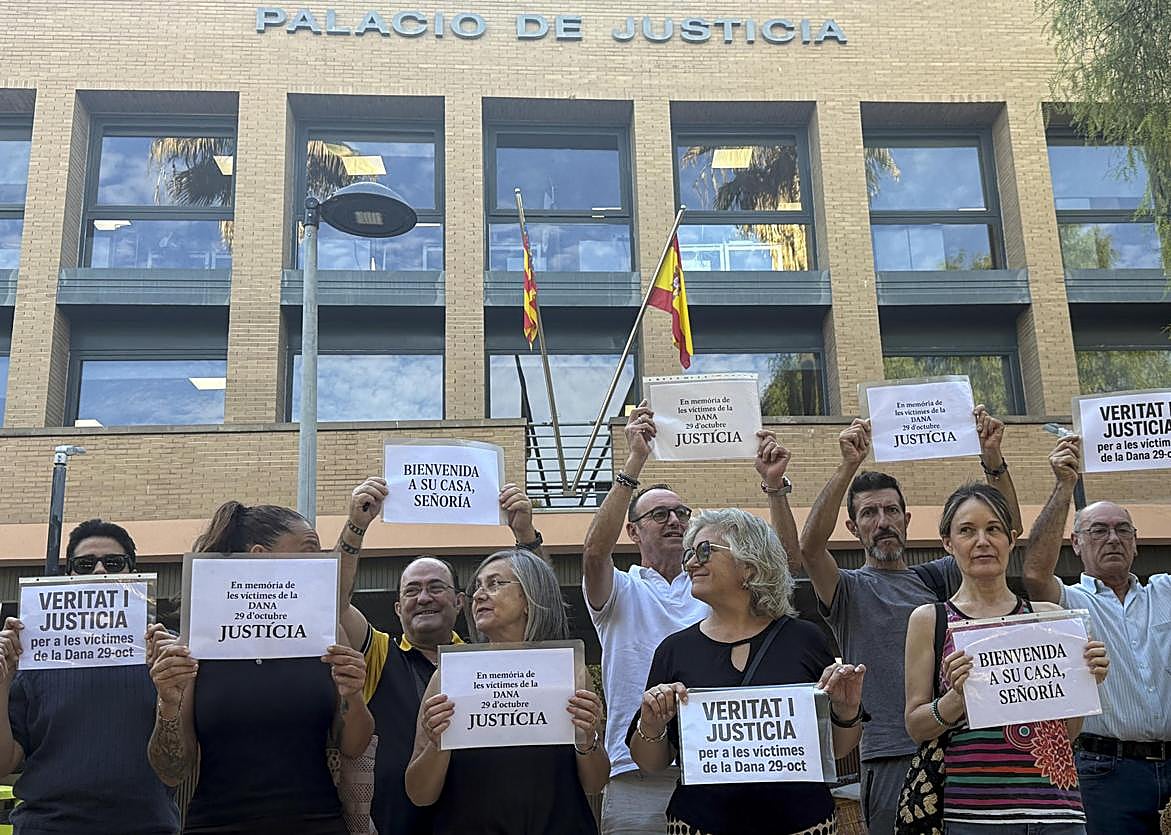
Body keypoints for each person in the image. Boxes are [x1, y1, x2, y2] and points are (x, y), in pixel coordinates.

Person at [800, 408, 1021, 835]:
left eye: (891, 510)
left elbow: (1004, 529)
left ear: (907, 519)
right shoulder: (847, 589)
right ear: (853, 526)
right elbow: (809, 548)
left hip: (962, 746)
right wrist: (848, 465)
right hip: (891, 758)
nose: (883, 522)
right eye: (869, 513)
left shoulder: (940, 578)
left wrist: (993, 458)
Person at [583, 399, 798, 835]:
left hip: (722, 764)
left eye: (682, 513)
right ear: (633, 530)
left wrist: (774, 487)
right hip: (636, 772)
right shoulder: (621, 588)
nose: (675, 521)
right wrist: (635, 459)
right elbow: (593, 553)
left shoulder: (713, 583)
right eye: (659, 514)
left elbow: (783, 565)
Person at [629, 508, 866, 835]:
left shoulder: (804, 640)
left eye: (704, 551)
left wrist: (846, 710)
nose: (691, 563)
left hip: (802, 825)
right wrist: (652, 723)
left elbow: (837, 749)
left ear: (750, 565)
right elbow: (651, 763)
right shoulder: (674, 650)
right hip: (701, 824)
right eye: (689, 554)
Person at [147, 501, 373, 835]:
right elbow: (171, 772)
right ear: (260, 556)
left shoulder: (325, 632)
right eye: (309, 551)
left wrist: (353, 695)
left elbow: (353, 746)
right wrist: (167, 704)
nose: (320, 563)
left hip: (317, 822)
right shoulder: (198, 640)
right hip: (217, 823)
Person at [335, 477, 545, 835]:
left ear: (460, 602)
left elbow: (542, 610)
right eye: (412, 591)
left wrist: (526, 536)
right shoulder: (379, 653)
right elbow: (331, 603)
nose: (424, 598)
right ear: (398, 608)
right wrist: (356, 527)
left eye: (436, 587)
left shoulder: (485, 661)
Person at [905, 483, 1109, 834]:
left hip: (1057, 811)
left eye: (993, 529)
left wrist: (1085, 680)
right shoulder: (930, 620)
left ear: (1011, 539)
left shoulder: (1049, 617)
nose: (982, 541)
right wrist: (956, 698)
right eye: (967, 531)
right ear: (948, 543)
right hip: (974, 814)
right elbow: (915, 726)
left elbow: (1067, 733)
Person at [1022, 434, 1171, 835]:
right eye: (1099, 531)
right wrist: (1064, 485)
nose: (1113, 538)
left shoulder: (1165, 592)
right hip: (1105, 773)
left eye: (1123, 530)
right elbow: (1033, 573)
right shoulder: (1068, 602)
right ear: (1076, 543)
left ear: (1136, 543)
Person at [405, 547, 609, 833]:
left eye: (495, 584)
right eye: (478, 587)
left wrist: (587, 740)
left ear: (530, 598)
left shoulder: (568, 671)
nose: (479, 595)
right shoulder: (451, 675)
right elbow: (419, 794)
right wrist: (438, 744)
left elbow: (596, 783)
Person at [0, 519, 180, 835]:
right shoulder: (32, 655)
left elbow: (179, 767)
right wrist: (2, 682)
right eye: (85, 564)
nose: (99, 571)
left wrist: (170, 695)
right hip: (47, 826)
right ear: (69, 576)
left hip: (144, 825)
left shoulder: (163, 656)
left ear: (133, 573)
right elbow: (4, 763)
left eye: (113, 563)